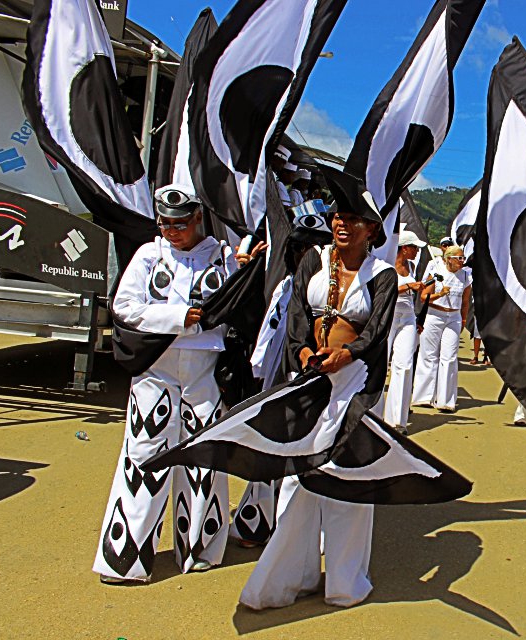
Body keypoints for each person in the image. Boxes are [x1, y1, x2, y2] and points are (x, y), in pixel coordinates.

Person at [239, 167, 397, 610]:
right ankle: (294, 575)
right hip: (308, 379)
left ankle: (345, 581)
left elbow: (378, 330)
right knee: (298, 480)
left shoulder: (383, 274)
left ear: (371, 229)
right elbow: (294, 315)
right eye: (337, 217)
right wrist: (303, 355)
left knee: (348, 478)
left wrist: (347, 356)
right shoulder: (314, 260)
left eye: (353, 219)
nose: (342, 224)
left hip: (355, 384)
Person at [94, 183, 243, 584]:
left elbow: (235, 307)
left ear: (198, 218)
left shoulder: (222, 256)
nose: (172, 230)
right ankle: (126, 558)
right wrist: (178, 317)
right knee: (142, 457)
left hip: (202, 372)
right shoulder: (148, 254)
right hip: (154, 372)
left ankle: (199, 548)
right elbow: (123, 307)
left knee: (203, 460)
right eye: (165, 223)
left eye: (180, 223)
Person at [230, 211, 331, 548]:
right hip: (278, 379)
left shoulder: (331, 294)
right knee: (270, 448)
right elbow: (267, 335)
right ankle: (255, 524)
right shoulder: (285, 286)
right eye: (300, 249)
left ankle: (304, 530)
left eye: (314, 249)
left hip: (313, 380)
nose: (306, 256)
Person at [412, 245, 472, 413]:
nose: (462, 261)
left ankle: (446, 400)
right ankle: (423, 397)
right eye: (459, 258)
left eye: (463, 258)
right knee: (429, 354)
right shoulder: (436, 271)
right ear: (449, 258)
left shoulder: (466, 276)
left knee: (449, 357)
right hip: (434, 315)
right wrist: (440, 294)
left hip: (453, 318)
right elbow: (424, 296)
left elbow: (466, 301)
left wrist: (464, 318)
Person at [381, 229, 427, 433]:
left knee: (405, 363)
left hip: (408, 315)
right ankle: (373, 414)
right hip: (388, 316)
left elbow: (418, 294)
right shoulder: (386, 263)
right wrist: (408, 287)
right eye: (415, 248)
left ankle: (397, 420)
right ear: (404, 248)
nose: (417, 251)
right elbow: (380, 291)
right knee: (381, 365)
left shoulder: (412, 266)